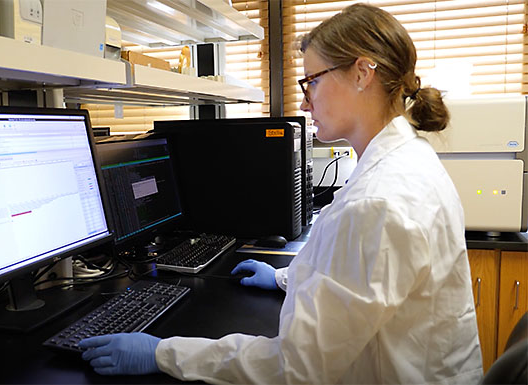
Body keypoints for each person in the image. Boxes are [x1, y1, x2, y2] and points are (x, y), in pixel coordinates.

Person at [78, 4, 484, 383]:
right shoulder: (409, 158)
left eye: (312, 82)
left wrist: (166, 354)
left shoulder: (378, 201)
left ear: (363, 74)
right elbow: (367, 282)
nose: (306, 102)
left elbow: (296, 367)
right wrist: (286, 278)